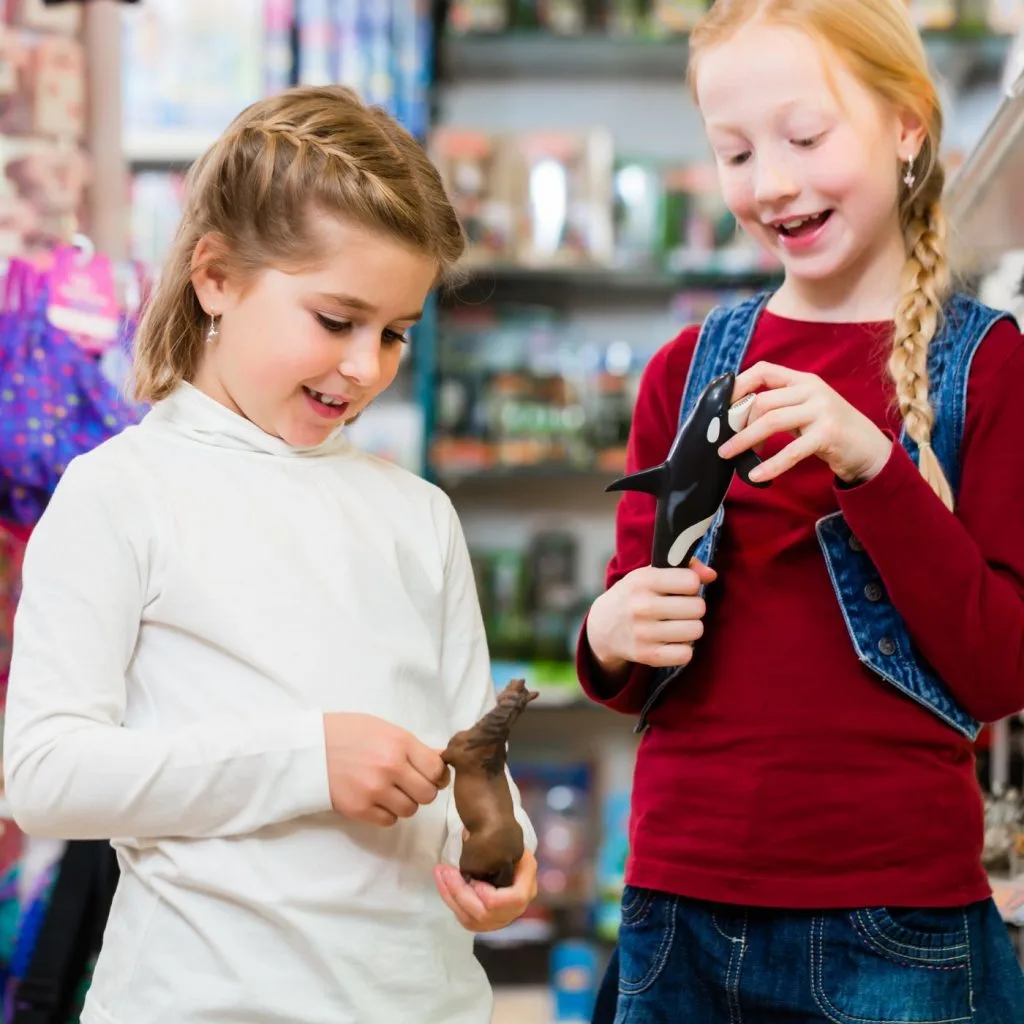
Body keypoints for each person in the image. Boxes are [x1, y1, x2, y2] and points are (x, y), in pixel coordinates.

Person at [2, 85, 537, 1024]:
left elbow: (468, 760)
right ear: (215, 277)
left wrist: (506, 852)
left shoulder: (419, 516)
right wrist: (304, 759)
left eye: (396, 333)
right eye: (336, 321)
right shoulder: (119, 493)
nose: (367, 366)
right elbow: (45, 776)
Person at [579, 2, 1024, 1021]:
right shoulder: (682, 372)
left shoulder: (984, 367)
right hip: (678, 902)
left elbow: (998, 669)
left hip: (894, 914)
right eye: (733, 152)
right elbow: (638, 643)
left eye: (805, 137)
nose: (769, 181)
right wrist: (607, 634)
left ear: (906, 124)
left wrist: (871, 463)